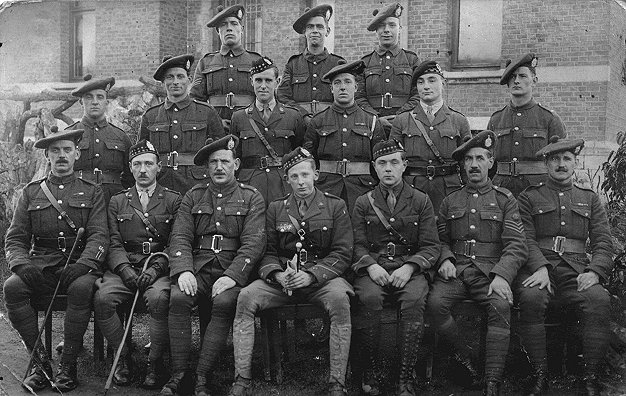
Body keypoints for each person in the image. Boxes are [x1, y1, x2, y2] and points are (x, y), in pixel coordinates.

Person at [229, 147, 354, 396]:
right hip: (283, 280)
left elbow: (342, 253)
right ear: (286, 179)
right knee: (246, 297)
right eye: (294, 177)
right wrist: (276, 274)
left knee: (341, 300)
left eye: (305, 175)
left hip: (321, 280)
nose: (301, 182)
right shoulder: (275, 208)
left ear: (316, 175)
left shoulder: (334, 206)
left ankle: (336, 382)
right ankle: (241, 378)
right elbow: (267, 250)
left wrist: (311, 275)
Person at [4, 127, 108, 392]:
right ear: (47, 156)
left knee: (83, 287)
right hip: (41, 263)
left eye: (67, 150)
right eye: (55, 151)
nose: (61, 156)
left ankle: (68, 366)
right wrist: (21, 265)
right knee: (12, 287)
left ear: (77, 153)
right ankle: (40, 365)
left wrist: (84, 265)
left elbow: (99, 236)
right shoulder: (31, 192)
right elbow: (15, 238)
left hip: (78, 264)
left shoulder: (93, 191)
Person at [162, 135, 266, 396]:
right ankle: (179, 374)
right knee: (178, 297)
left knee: (222, 303)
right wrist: (184, 269)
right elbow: (181, 236)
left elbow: (254, 243)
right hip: (198, 267)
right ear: (206, 168)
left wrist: (233, 276)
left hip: (230, 269)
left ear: (236, 164)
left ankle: (202, 377)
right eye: (213, 162)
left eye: (225, 162)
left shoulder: (251, 197)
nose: (219, 167)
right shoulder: (193, 196)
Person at [426, 131, 528, 396]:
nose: (474, 164)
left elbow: (516, 245)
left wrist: (503, 276)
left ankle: (492, 380)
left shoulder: (505, 200)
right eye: (469, 159)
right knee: (435, 304)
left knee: (500, 305)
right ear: (463, 165)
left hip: (489, 273)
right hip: (457, 272)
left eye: (480, 158)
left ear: (491, 162)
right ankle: (467, 358)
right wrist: (445, 259)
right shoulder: (450, 201)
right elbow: (439, 239)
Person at [514, 137, 613, 396]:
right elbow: (524, 238)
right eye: (555, 160)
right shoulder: (529, 197)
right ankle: (540, 376)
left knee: (599, 300)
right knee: (531, 297)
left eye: (566, 159)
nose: (561, 164)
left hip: (576, 270)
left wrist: (595, 271)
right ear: (546, 164)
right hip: (539, 269)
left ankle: (590, 378)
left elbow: (603, 241)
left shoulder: (589, 199)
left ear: (575, 162)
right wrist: (540, 266)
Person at [351, 139, 440, 395]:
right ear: (374, 168)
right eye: (382, 164)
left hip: (407, 268)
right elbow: (354, 244)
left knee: (413, 300)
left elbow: (431, 246)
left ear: (404, 166)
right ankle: (372, 371)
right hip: (375, 268)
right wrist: (370, 266)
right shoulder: (363, 202)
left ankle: (404, 376)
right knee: (368, 298)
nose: (388, 169)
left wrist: (410, 268)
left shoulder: (421, 201)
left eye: (394, 163)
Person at [93, 139, 182, 389]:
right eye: (137, 165)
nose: (143, 170)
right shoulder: (117, 201)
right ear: (130, 169)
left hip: (157, 268)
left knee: (158, 299)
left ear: (159, 167)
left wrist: (156, 269)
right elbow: (112, 241)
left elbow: (177, 241)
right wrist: (123, 269)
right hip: (125, 268)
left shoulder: (173, 200)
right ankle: (123, 358)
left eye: (148, 164)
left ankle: (155, 364)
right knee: (103, 299)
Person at [304, 60, 385, 213]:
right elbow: (309, 160)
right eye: (337, 83)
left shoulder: (371, 121)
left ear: (355, 87)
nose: (342, 87)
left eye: (347, 82)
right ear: (331, 89)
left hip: (362, 190)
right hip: (326, 189)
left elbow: (379, 162)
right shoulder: (318, 121)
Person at [389, 60, 471, 213]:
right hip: (412, 190)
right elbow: (393, 163)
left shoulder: (458, 121)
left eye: (432, 80)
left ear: (443, 83)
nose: (426, 86)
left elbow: (467, 164)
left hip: (449, 192)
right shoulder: (402, 120)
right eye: (420, 82)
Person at [139, 54, 225, 195]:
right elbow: (142, 156)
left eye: (180, 76)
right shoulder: (151, 116)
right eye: (170, 77)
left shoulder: (206, 112)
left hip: (197, 186)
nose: (175, 82)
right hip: (161, 186)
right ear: (163, 82)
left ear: (189, 80)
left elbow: (221, 154)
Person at [488, 53, 566, 197]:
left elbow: (561, 163)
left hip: (539, 192)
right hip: (501, 191)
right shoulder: (496, 119)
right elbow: (489, 164)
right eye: (512, 77)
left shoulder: (549, 119)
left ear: (534, 81)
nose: (516, 81)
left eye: (523, 76)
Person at [230, 56, 305, 204]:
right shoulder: (239, 117)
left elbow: (299, 155)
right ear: (251, 82)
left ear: (277, 82)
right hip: (249, 186)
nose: (263, 86)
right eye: (258, 80)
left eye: (268, 81)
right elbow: (235, 157)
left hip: (282, 186)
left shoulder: (293, 116)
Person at [66, 76, 133, 203]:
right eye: (89, 97)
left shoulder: (120, 136)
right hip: (76, 197)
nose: (95, 102)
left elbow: (130, 176)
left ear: (106, 102)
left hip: (112, 199)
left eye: (100, 97)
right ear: (81, 102)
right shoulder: (69, 134)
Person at [355, 3, 420, 135]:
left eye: (392, 25)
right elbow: (358, 97)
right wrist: (376, 118)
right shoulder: (365, 62)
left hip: (407, 124)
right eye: (381, 26)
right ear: (376, 31)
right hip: (372, 126)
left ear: (399, 28)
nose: (386, 30)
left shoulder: (412, 60)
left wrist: (400, 116)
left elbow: (419, 94)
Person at [190, 5, 262, 122]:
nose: (229, 28)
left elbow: (266, 97)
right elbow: (196, 100)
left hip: (250, 126)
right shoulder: (206, 62)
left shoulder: (256, 61)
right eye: (223, 24)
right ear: (218, 31)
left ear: (242, 29)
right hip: (216, 127)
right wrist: (214, 123)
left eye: (234, 23)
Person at [276, 4, 344, 123]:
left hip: (331, 123)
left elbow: (345, 96)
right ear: (304, 32)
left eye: (319, 27)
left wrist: (327, 117)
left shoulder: (337, 63)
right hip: (300, 123)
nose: (315, 31)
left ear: (327, 31)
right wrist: (303, 116)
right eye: (310, 27)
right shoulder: (293, 64)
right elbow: (283, 96)